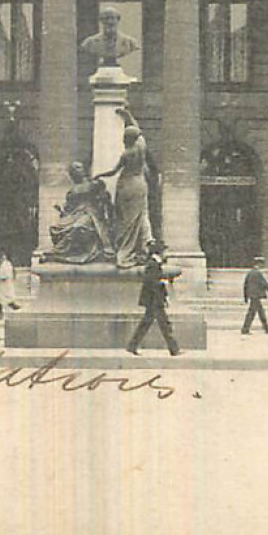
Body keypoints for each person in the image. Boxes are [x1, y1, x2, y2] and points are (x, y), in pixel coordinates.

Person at [96, 109, 153, 269]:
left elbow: (114, 171)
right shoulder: (141, 148)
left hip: (126, 186)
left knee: (125, 219)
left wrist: (99, 175)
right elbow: (139, 131)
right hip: (140, 185)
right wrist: (128, 115)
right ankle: (141, 248)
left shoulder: (127, 154)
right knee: (139, 217)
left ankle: (124, 252)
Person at [45, 163, 115, 264]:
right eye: (74, 169)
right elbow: (68, 210)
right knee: (55, 227)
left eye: (79, 167)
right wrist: (61, 211)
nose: (77, 170)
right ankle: (60, 252)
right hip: (75, 215)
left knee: (79, 227)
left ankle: (56, 252)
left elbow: (106, 201)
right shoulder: (72, 191)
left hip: (91, 215)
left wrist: (110, 218)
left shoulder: (94, 184)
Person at [126, 241, 180, 356]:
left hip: (153, 300)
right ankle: (174, 349)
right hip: (154, 300)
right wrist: (162, 283)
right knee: (164, 325)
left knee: (148, 323)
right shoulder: (153, 264)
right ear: (160, 252)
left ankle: (132, 345)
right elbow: (151, 282)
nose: (167, 254)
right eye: (165, 251)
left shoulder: (154, 263)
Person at [78, 5, 141, 71]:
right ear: (101, 21)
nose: (109, 22)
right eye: (106, 18)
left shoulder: (130, 42)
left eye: (112, 18)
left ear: (118, 20)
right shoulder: (90, 42)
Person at [242, 256, 268, 335]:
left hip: (252, 296)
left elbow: (245, 285)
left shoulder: (250, 273)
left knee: (260, 312)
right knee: (252, 313)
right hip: (256, 296)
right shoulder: (258, 273)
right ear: (258, 264)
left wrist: (246, 296)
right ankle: (245, 329)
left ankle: (266, 328)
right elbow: (264, 284)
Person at [0, 254, 21, 320]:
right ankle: (0, 314)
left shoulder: (6, 265)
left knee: (6, 300)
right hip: (3, 286)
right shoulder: (3, 264)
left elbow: (6, 275)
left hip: (6, 285)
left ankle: (16, 310)